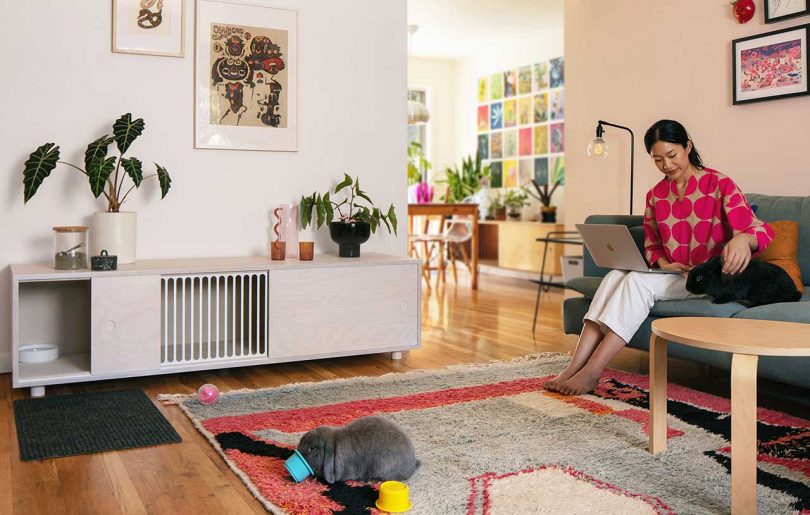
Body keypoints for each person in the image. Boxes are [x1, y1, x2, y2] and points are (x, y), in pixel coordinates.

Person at [545, 119, 774, 396]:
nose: (666, 165)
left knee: (636, 284)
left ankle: (593, 372)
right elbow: (652, 245)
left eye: (672, 155)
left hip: (708, 279)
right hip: (674, 275)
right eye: (657, 159)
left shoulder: (719, 184)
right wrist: (664, 263)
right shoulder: (656, 195)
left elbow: (760, 231)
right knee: (616, 276)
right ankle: (573, 368)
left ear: (687, 146)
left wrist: (742, 238)